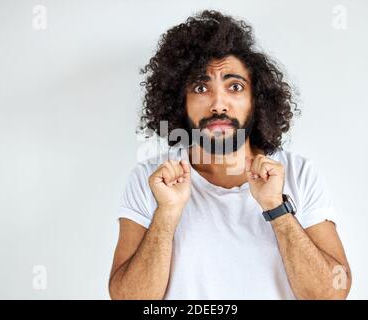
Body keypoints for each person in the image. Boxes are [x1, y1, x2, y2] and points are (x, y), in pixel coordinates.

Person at [109, 10, 351, 300]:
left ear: (255, 100)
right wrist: (167, 214)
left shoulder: (298, 174)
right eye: (201, 87)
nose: (218, 104)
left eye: (234, 87)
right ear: (180, 102)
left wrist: (276, 207)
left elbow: (330, 294)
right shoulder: (152, 180)